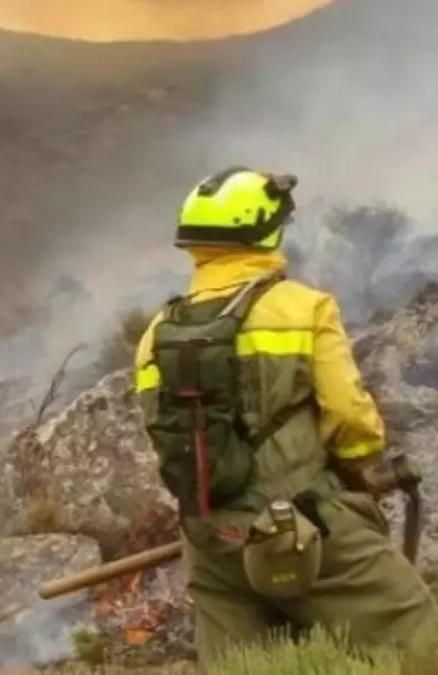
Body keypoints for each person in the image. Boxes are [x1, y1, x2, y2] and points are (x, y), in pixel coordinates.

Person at [133, 167, 438, 667]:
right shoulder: (303, 308)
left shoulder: (156, 334)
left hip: (212, 547)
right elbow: (353, 422)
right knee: (417, 642)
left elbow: (163, 436)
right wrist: (354, 471)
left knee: (244, 668)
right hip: (308, 526)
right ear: (266, 232)